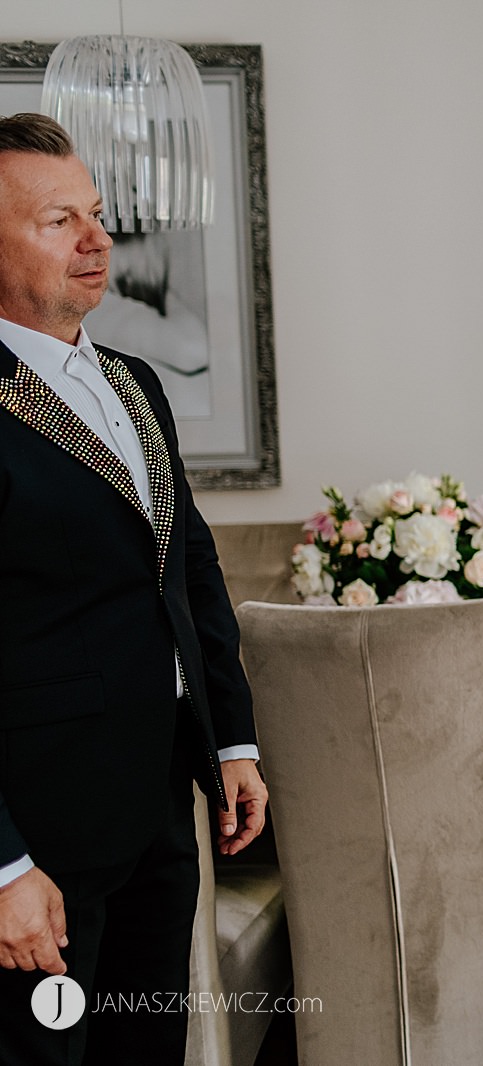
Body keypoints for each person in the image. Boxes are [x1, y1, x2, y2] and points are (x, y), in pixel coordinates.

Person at [0, 113, 267, 1065]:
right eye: (57, 221)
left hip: (161, 811)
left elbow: (188, 566)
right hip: (41, 838)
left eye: (98, 214)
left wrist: (231, 737)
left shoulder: (133, 382)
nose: (96, 240)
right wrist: (4, 867)